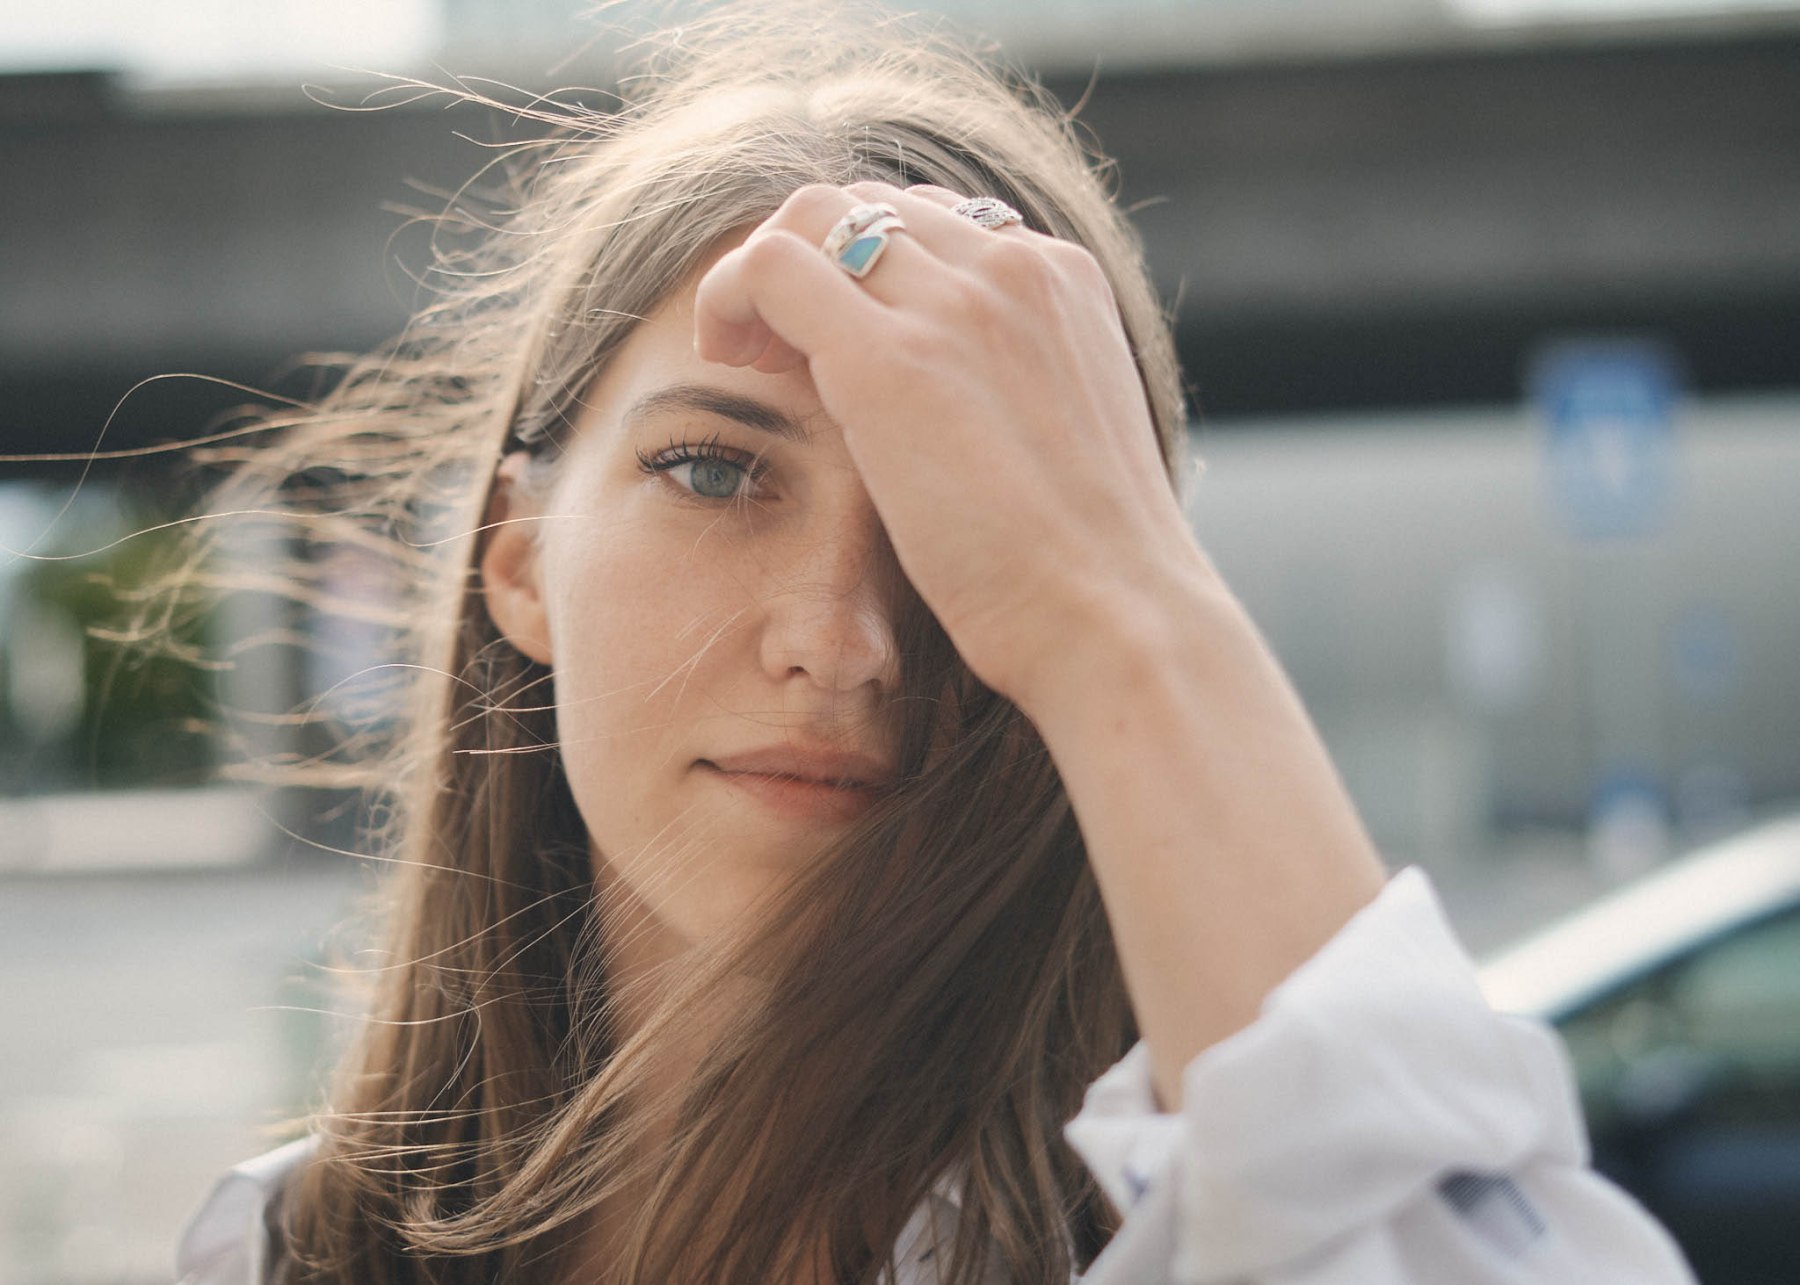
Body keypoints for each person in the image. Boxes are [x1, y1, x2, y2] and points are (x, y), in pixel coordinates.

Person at [174, 5, 1697, 1283]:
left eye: (961, 519)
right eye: (715, 469)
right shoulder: (283, 1248)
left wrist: (1122, 612)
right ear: (518, 559)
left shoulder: (1160, 1241)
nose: (844, 643)